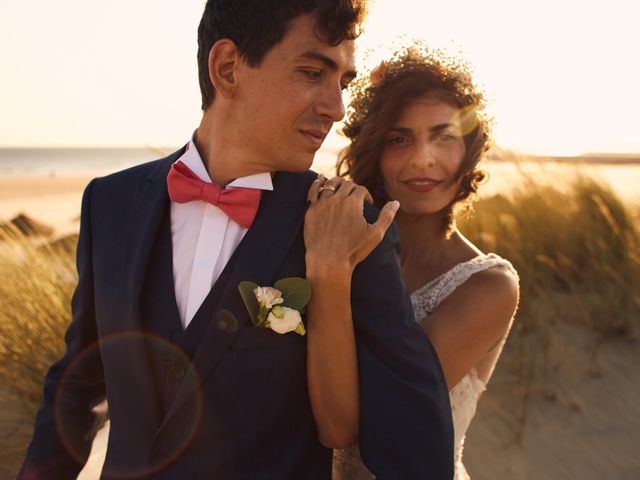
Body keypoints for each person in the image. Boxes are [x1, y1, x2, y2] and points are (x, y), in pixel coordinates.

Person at [19, 3, 454, 479]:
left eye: (344, 83)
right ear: (227, 68)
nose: (336, 107)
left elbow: (416, 444)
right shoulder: (110, 201)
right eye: (312, 73)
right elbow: (78, 383)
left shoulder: (351, 225)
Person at [305, 44, 520, 480]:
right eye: (399, 138)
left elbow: (357, 423)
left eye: (444, 137)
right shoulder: (328, 240)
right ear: (374, 152)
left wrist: (330, 276)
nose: (424, 158)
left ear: (469, 151)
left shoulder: (488, 287)